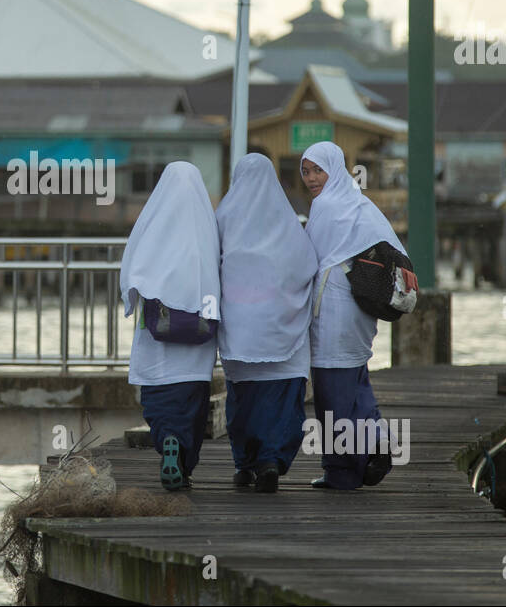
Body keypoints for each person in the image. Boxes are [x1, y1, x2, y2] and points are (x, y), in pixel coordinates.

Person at [300, 141, 402, 489]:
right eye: (306, 171)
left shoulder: (325, 206)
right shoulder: (360, 203)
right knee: (356, 385)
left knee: (331, 396)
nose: (312, 178)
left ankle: (343, 472)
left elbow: (306, 260)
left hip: (333, 316)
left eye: (318, 170)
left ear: (334, 169)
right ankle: (378, 439)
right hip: (359, 313)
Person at [215, 153, 319, 492]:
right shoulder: (286, 222)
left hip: (240, 332)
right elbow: (306, 267)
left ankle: (244, 464)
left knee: (242, 399)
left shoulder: (225, 217)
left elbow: (209, 263)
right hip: (280, 329)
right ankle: (271, 460)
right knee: (281, 397)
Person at [119, 161, 220, 491]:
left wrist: (132, 300)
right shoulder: (207, 227)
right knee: (193, 401)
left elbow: (132, 269)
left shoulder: (153, 221)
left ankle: (167, 441)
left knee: (158, 397)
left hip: (158, 333)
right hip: (198, 332)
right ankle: (184, 462)